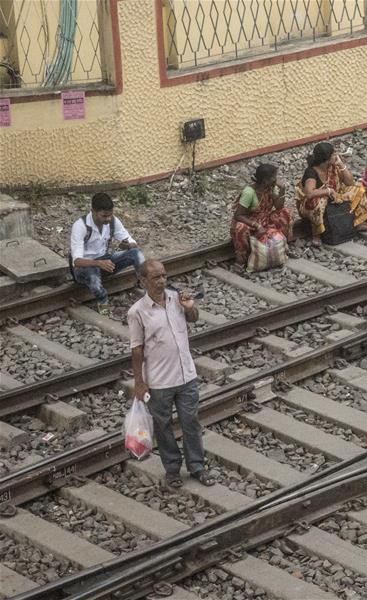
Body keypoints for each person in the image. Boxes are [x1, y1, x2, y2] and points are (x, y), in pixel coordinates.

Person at [127, 259, 214, 488]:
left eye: (164, 276)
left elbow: (194, 318)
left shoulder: (177, 298)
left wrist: (189, 307)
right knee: (163, 428)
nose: (162, 281)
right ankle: (173, 470)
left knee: (191, 423)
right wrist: (139, 382)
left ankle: (197, 467)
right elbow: (137, 349)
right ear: (143, 281)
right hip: (159, 381)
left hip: (186, 375)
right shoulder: (137, 312)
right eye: (156, 277)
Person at [69, 192, 144, 314]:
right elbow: (76, 262)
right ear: (92, 211)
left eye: (110, 215)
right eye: (104, 216)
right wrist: (98, 263)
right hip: (84, 268)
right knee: (93, 277)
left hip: (104, 262)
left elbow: (132, 242)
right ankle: (103, 303)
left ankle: (146, 285)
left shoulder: (113, 221)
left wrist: (128, 245)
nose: (108, 219)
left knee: (136, 253)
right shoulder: (80, 226)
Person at [296, 141, 367, 248]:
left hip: (334, 197)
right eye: (334, 154)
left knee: (358, 189)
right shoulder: (311, 172)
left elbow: (350, 182)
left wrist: (342, 165)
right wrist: (328, 191)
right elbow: (309, 193)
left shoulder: (333, 167)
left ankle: (356, 223)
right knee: (319, 201)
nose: (336, 155)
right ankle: (317, 233)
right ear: (326, 159)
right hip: (313, 204)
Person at [231, 164, 294, 266]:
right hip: (250, 222)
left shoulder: (270, 188)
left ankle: (284, 246)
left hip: (264, 220)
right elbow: (238, 215)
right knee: (240, 228)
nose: (276, 179)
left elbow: (278, 207)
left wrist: (282, 190)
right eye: (274, 177)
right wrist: (257, 226)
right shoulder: (249, 192)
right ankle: (241, 260)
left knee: (285, 212)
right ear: (265, 181)